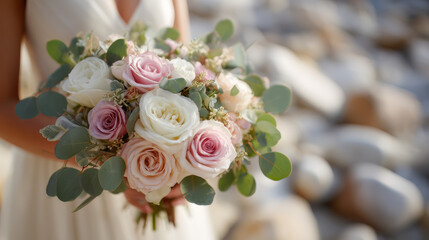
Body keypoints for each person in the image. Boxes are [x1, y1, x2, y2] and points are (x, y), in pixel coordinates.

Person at [0, 0, 216, 239]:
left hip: (154, 171)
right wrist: (110, 161)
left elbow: (183, 68)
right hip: (66, 175)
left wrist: (179, 163)